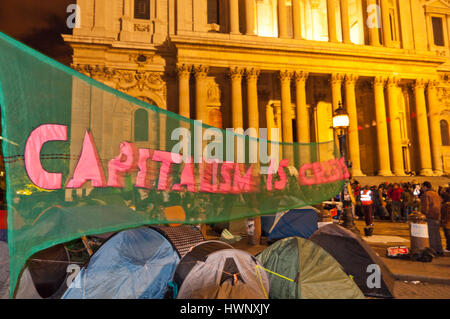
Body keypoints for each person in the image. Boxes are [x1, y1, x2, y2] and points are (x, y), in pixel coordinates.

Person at [420, 181, 444, 256]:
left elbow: (425, 206)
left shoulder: (426, 194)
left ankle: (433, 250)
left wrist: (423, 215)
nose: (422, 188)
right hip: (437, 216)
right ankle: (439, 250)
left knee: (431, 235)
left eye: (422, 187)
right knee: (437, 234)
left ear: (425, 187)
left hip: (430, 216)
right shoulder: (436, 194)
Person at [440, 187, 450, 253]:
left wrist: (443, 221)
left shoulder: (446, 205)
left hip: (447, 223)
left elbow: (445, 215)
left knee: (448, 236)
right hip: (447, 222)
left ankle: (448, 248)